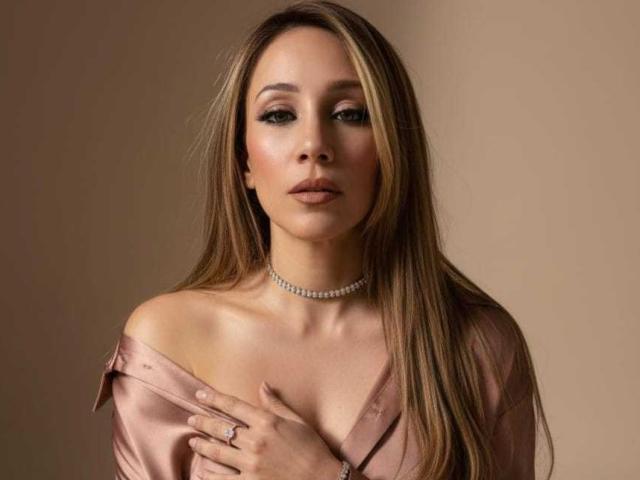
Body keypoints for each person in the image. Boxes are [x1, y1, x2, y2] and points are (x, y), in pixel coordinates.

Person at [92, 1, 554, 479]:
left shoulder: (478, 348)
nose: (314, 144)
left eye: (350, 113)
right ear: (244, 161)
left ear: (391, 149)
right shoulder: (169, 342)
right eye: (279, 115)